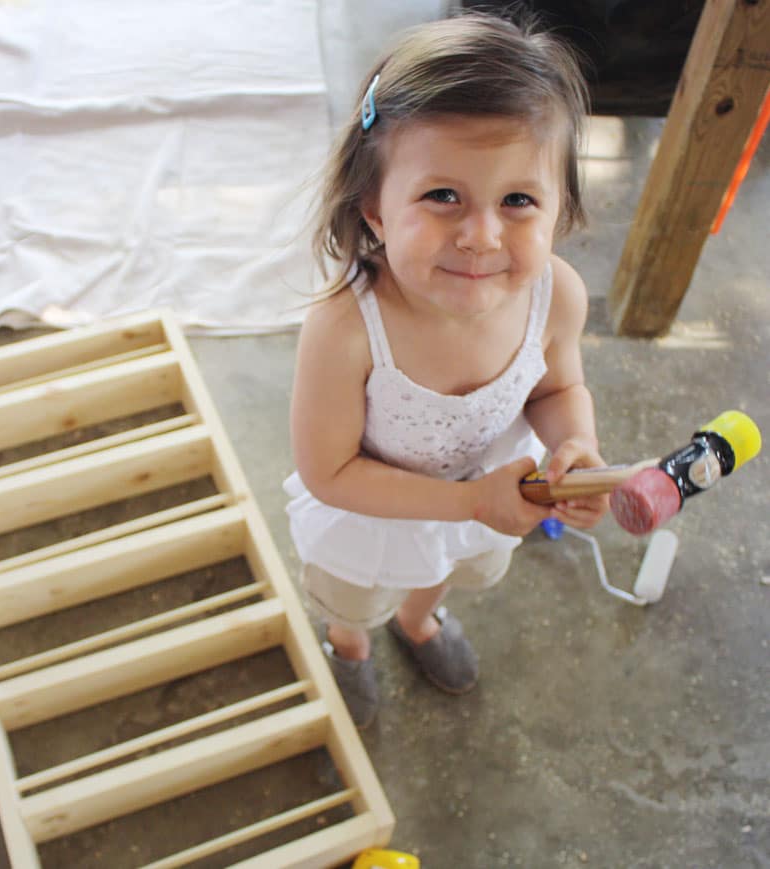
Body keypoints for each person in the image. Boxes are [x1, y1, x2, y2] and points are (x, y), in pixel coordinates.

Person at [284, 10, 609, 729]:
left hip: (491, 496)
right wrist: (468, 503)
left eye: (519, 200)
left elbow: (558, 386)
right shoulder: (344, 329)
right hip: (374, 512)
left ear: (559, 209)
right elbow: (328, 472)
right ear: (373, 206)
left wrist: (573, 446)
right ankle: (349, 643)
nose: (481, 235)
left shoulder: (556, 296)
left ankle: (418, 621)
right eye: (442, 196)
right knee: (352, 594)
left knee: (446, 572)